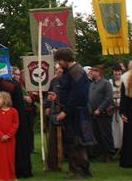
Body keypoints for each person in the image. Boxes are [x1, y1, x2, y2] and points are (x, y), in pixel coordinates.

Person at [53, 48, 93, 179]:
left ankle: (81, 170)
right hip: (73, 111)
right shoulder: (69, 72)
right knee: (72, 142)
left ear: (65, 59)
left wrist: (66, 111)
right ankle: (78, 169)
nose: (59, 64)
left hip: (77, 112)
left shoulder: (76, 71)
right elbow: (67, 91)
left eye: (59, 60)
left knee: (77, 142)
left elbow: (78, 95)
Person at [87, 66, 114, 162]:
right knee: (96, 135)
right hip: (93, 114)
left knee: (105, 134)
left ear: (99, 72)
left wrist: (100, 109)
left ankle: (109, 154)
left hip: (103, 114)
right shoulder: (91, 84)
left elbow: (108, 98)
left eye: (94, 71)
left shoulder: (106, 83)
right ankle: (99, 154)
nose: (92, 72)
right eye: (92, 71)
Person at [45, 64, 64, 172]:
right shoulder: (54, 81)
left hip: (65, 113)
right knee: (53, 140)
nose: (58, 71)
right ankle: (53, 165)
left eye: (60, 69)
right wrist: (47, 106)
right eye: (56, 69)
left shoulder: (67, 81)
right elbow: (49, 94)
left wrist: (57, 99)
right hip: (54, 113)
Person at [109, 63, 124, 153]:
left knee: (123, 128)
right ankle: (115, 146)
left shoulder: (124, 81)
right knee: (114, 128)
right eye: (115, 71)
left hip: (123, 110)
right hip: (113, 109)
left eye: (119, 71)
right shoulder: (110, 82)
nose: (117, 73)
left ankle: (123, 146)